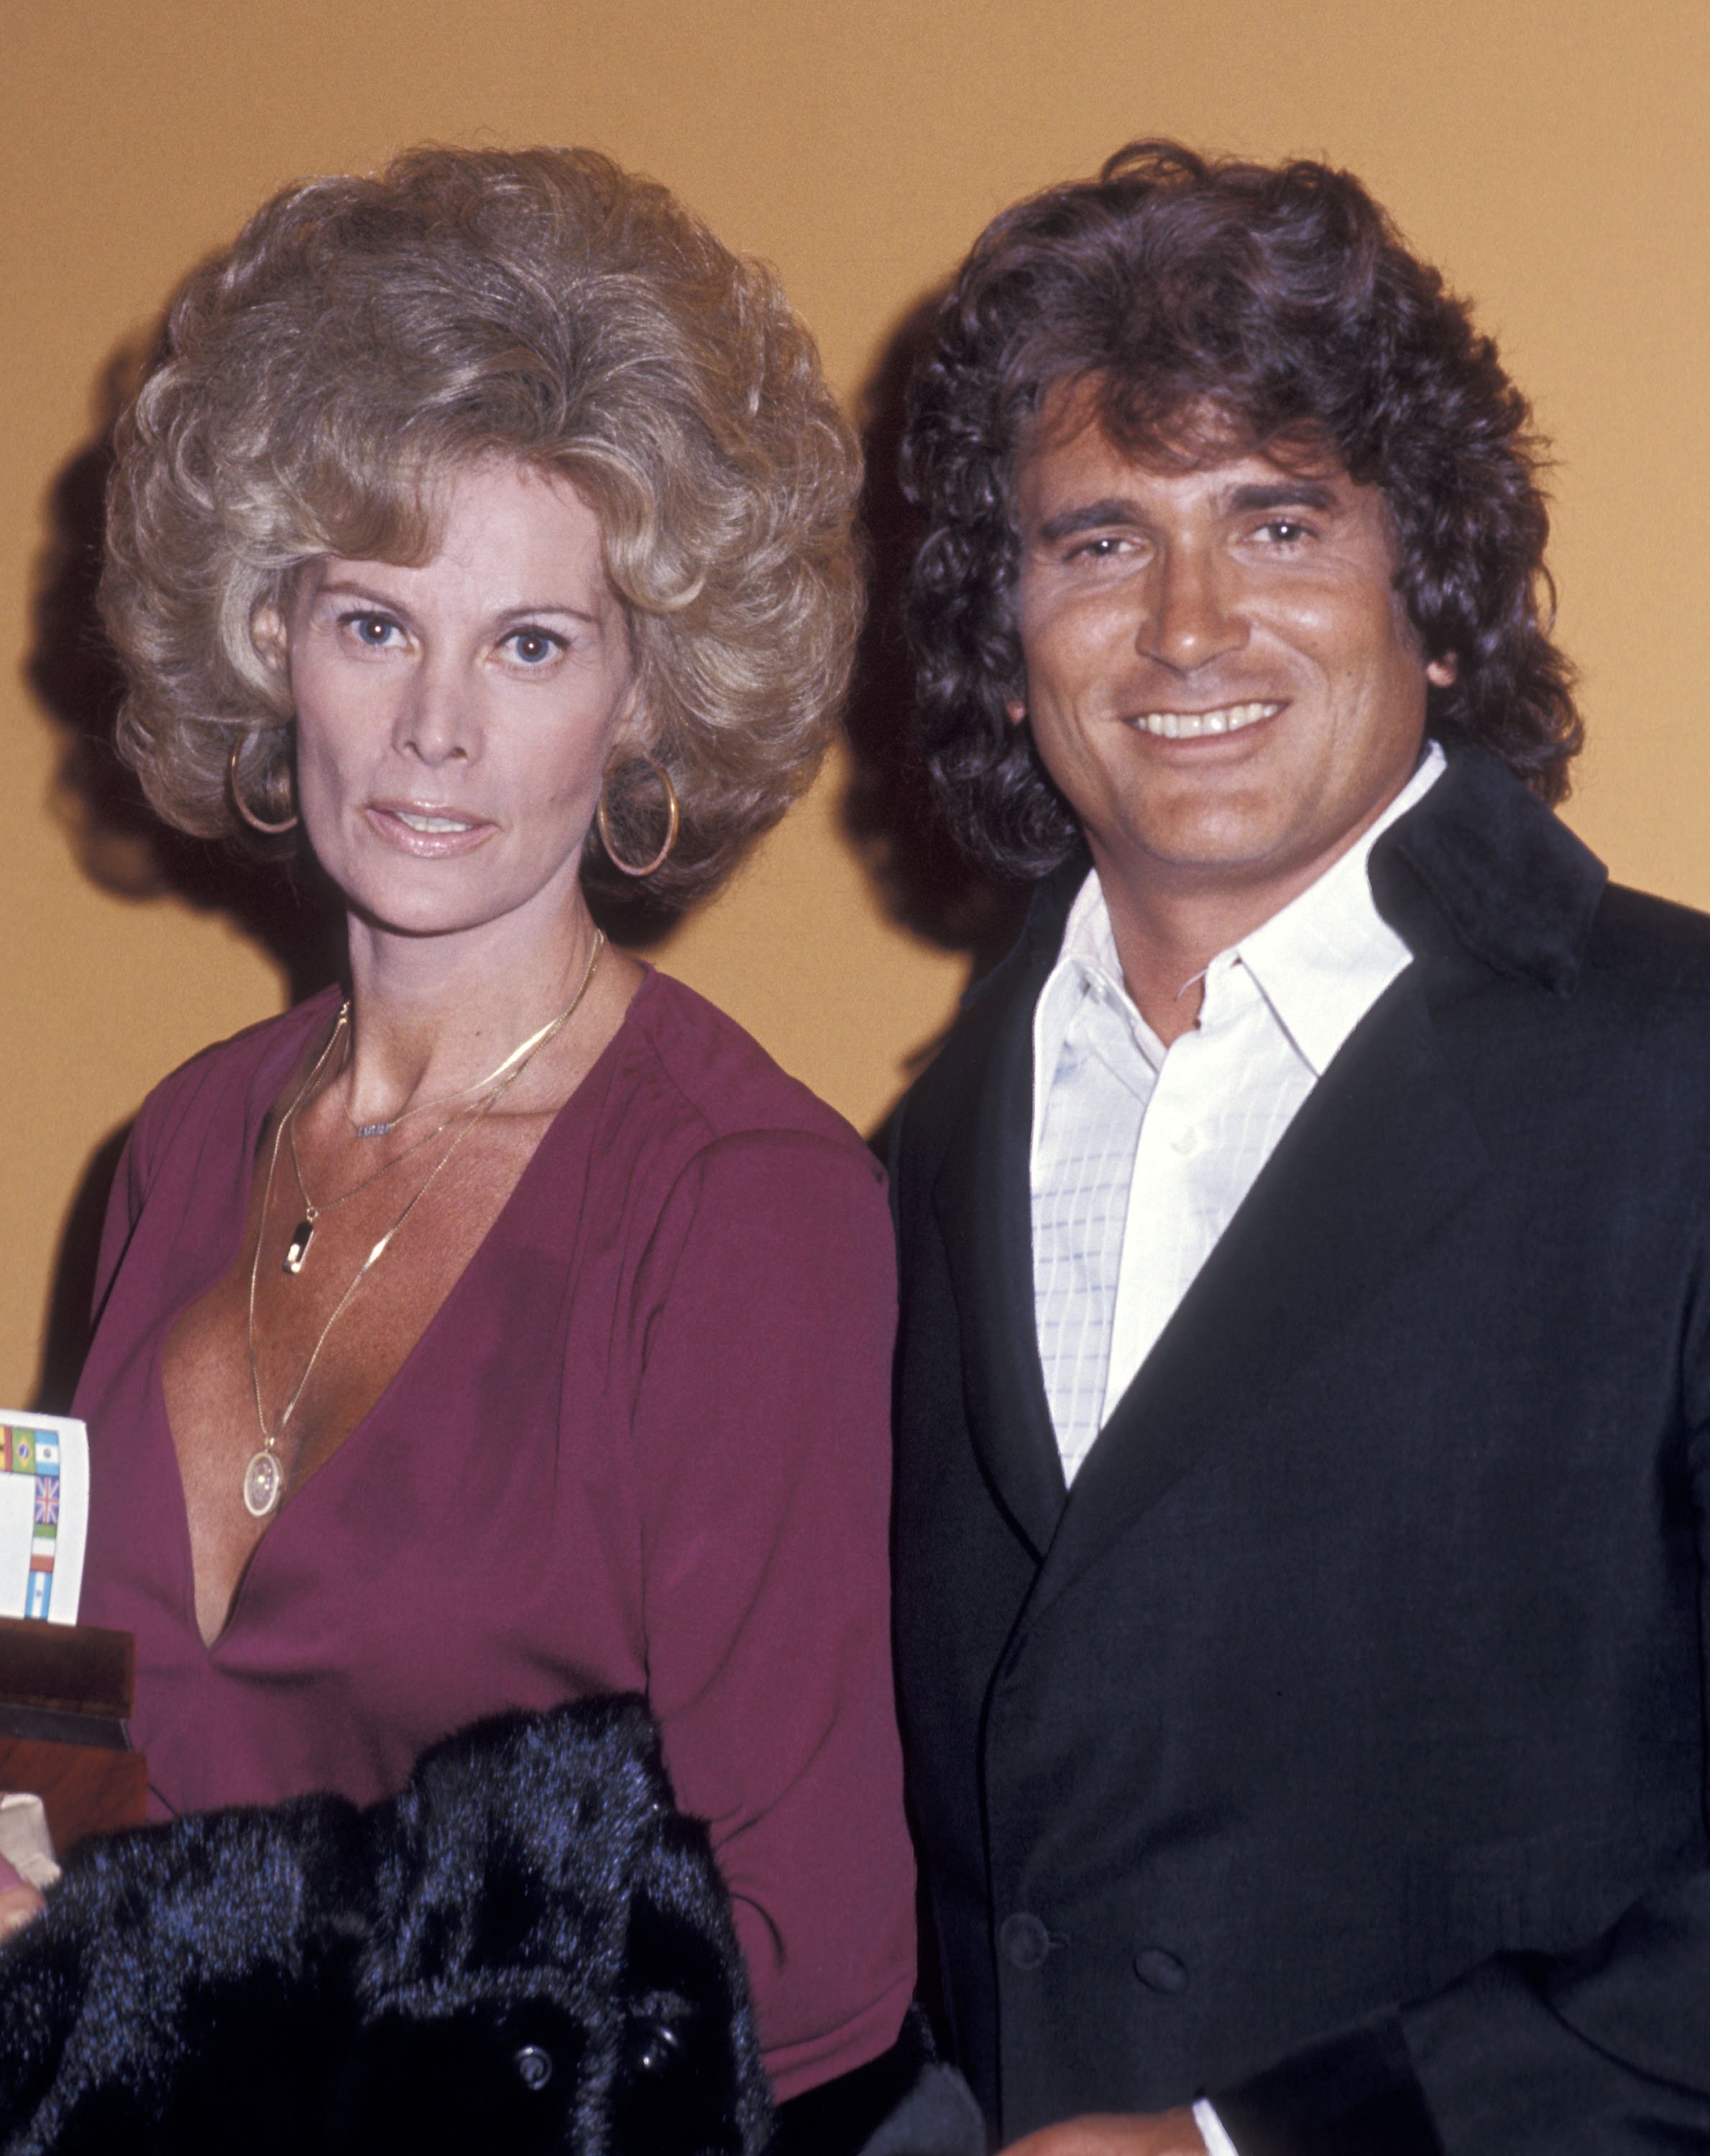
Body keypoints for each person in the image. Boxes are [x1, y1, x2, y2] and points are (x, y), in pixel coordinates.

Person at [15, 146, 917, 2129]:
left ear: (644, 698)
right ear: (269, 640)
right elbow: (79, 1737)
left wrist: (176, 1991)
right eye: (372, 624)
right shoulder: (185, 1139)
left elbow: (806, 1962)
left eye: (529, 644)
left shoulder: (741, 1206)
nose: (435, 728)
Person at [888, 140, 1710, 2154]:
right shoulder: (892, 1169)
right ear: (1005, 627)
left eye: (1275, 522)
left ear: (1433, 598)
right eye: (1099, 540)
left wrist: (1253, 2143)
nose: (1186, 628)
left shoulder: (1679, 1077)